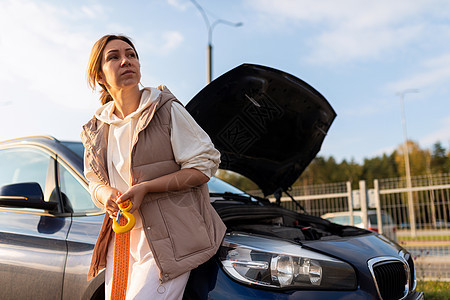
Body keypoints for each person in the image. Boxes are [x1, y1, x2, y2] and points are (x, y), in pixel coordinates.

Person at [81, 34, 226, 299]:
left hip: (170, 237)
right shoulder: (96, 128)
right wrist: (106, 195)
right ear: (99, 76)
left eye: (131, 55)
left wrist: (146, 188)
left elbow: (205, 165)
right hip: (122, 237)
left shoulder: (164, 109)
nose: (126, 61)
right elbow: (94, 181)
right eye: (114, 57)